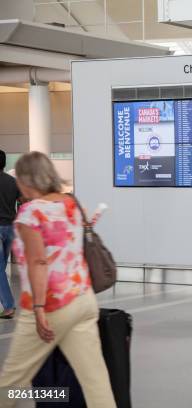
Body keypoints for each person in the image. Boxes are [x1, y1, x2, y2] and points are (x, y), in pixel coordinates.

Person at [0, 152, 116, 407]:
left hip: (50, 306)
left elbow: (38, 262)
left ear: (26, 180)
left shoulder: (31, 214)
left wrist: (40, 309)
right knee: (96, 381)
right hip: (83, 300)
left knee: (12, 380)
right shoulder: (71, 204)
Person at [0, 150, 20, 319]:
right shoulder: (13, 182)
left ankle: (9, 306)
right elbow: (22, 202)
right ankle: (8, 305)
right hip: (10, 229)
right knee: (1, 268)